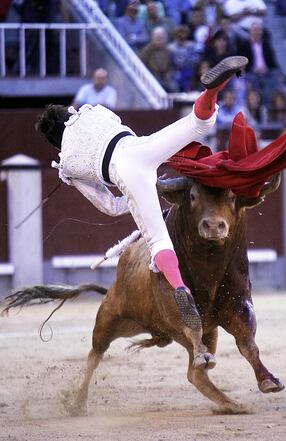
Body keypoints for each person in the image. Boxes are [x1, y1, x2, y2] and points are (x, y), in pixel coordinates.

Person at [35, 56, 248, 330]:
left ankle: (181, 287)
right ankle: (212, 90)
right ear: (68, 115)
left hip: (126, 174)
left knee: (159, 241)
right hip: (141, 147)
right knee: (198, 125)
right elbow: (119, 127)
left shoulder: (69, 164)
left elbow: (109, 205)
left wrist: (137, 196)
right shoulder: (93, 111)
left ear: (54, 142)